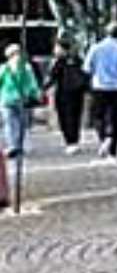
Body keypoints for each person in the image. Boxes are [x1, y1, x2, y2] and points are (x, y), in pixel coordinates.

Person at [85, 27, 117, 164]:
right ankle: (113, 152)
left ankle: (103, 137)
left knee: (98, 116)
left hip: (100, 87)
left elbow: (87, 68)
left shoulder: (95, 48)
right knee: (116, 119)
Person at [0, 44, 37, 197]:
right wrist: (34, 94)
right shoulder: (26, 67)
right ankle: (19, 146)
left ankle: (13, 146)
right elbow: (32, 83)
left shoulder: (3, 68)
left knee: (10, 124)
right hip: (21, 99)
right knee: (21, 124)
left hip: (7, 99)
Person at [46, 44, 88, 152]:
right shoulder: (78, 59)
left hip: (63, 93)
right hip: (78, 93)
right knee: (75, 117)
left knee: (65, 117)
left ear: (62, 49)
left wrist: (44, 87)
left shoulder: (59, 61)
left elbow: (52, 76)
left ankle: (70, 142)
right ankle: (75, 141)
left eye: (57, 48)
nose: (55, 50)